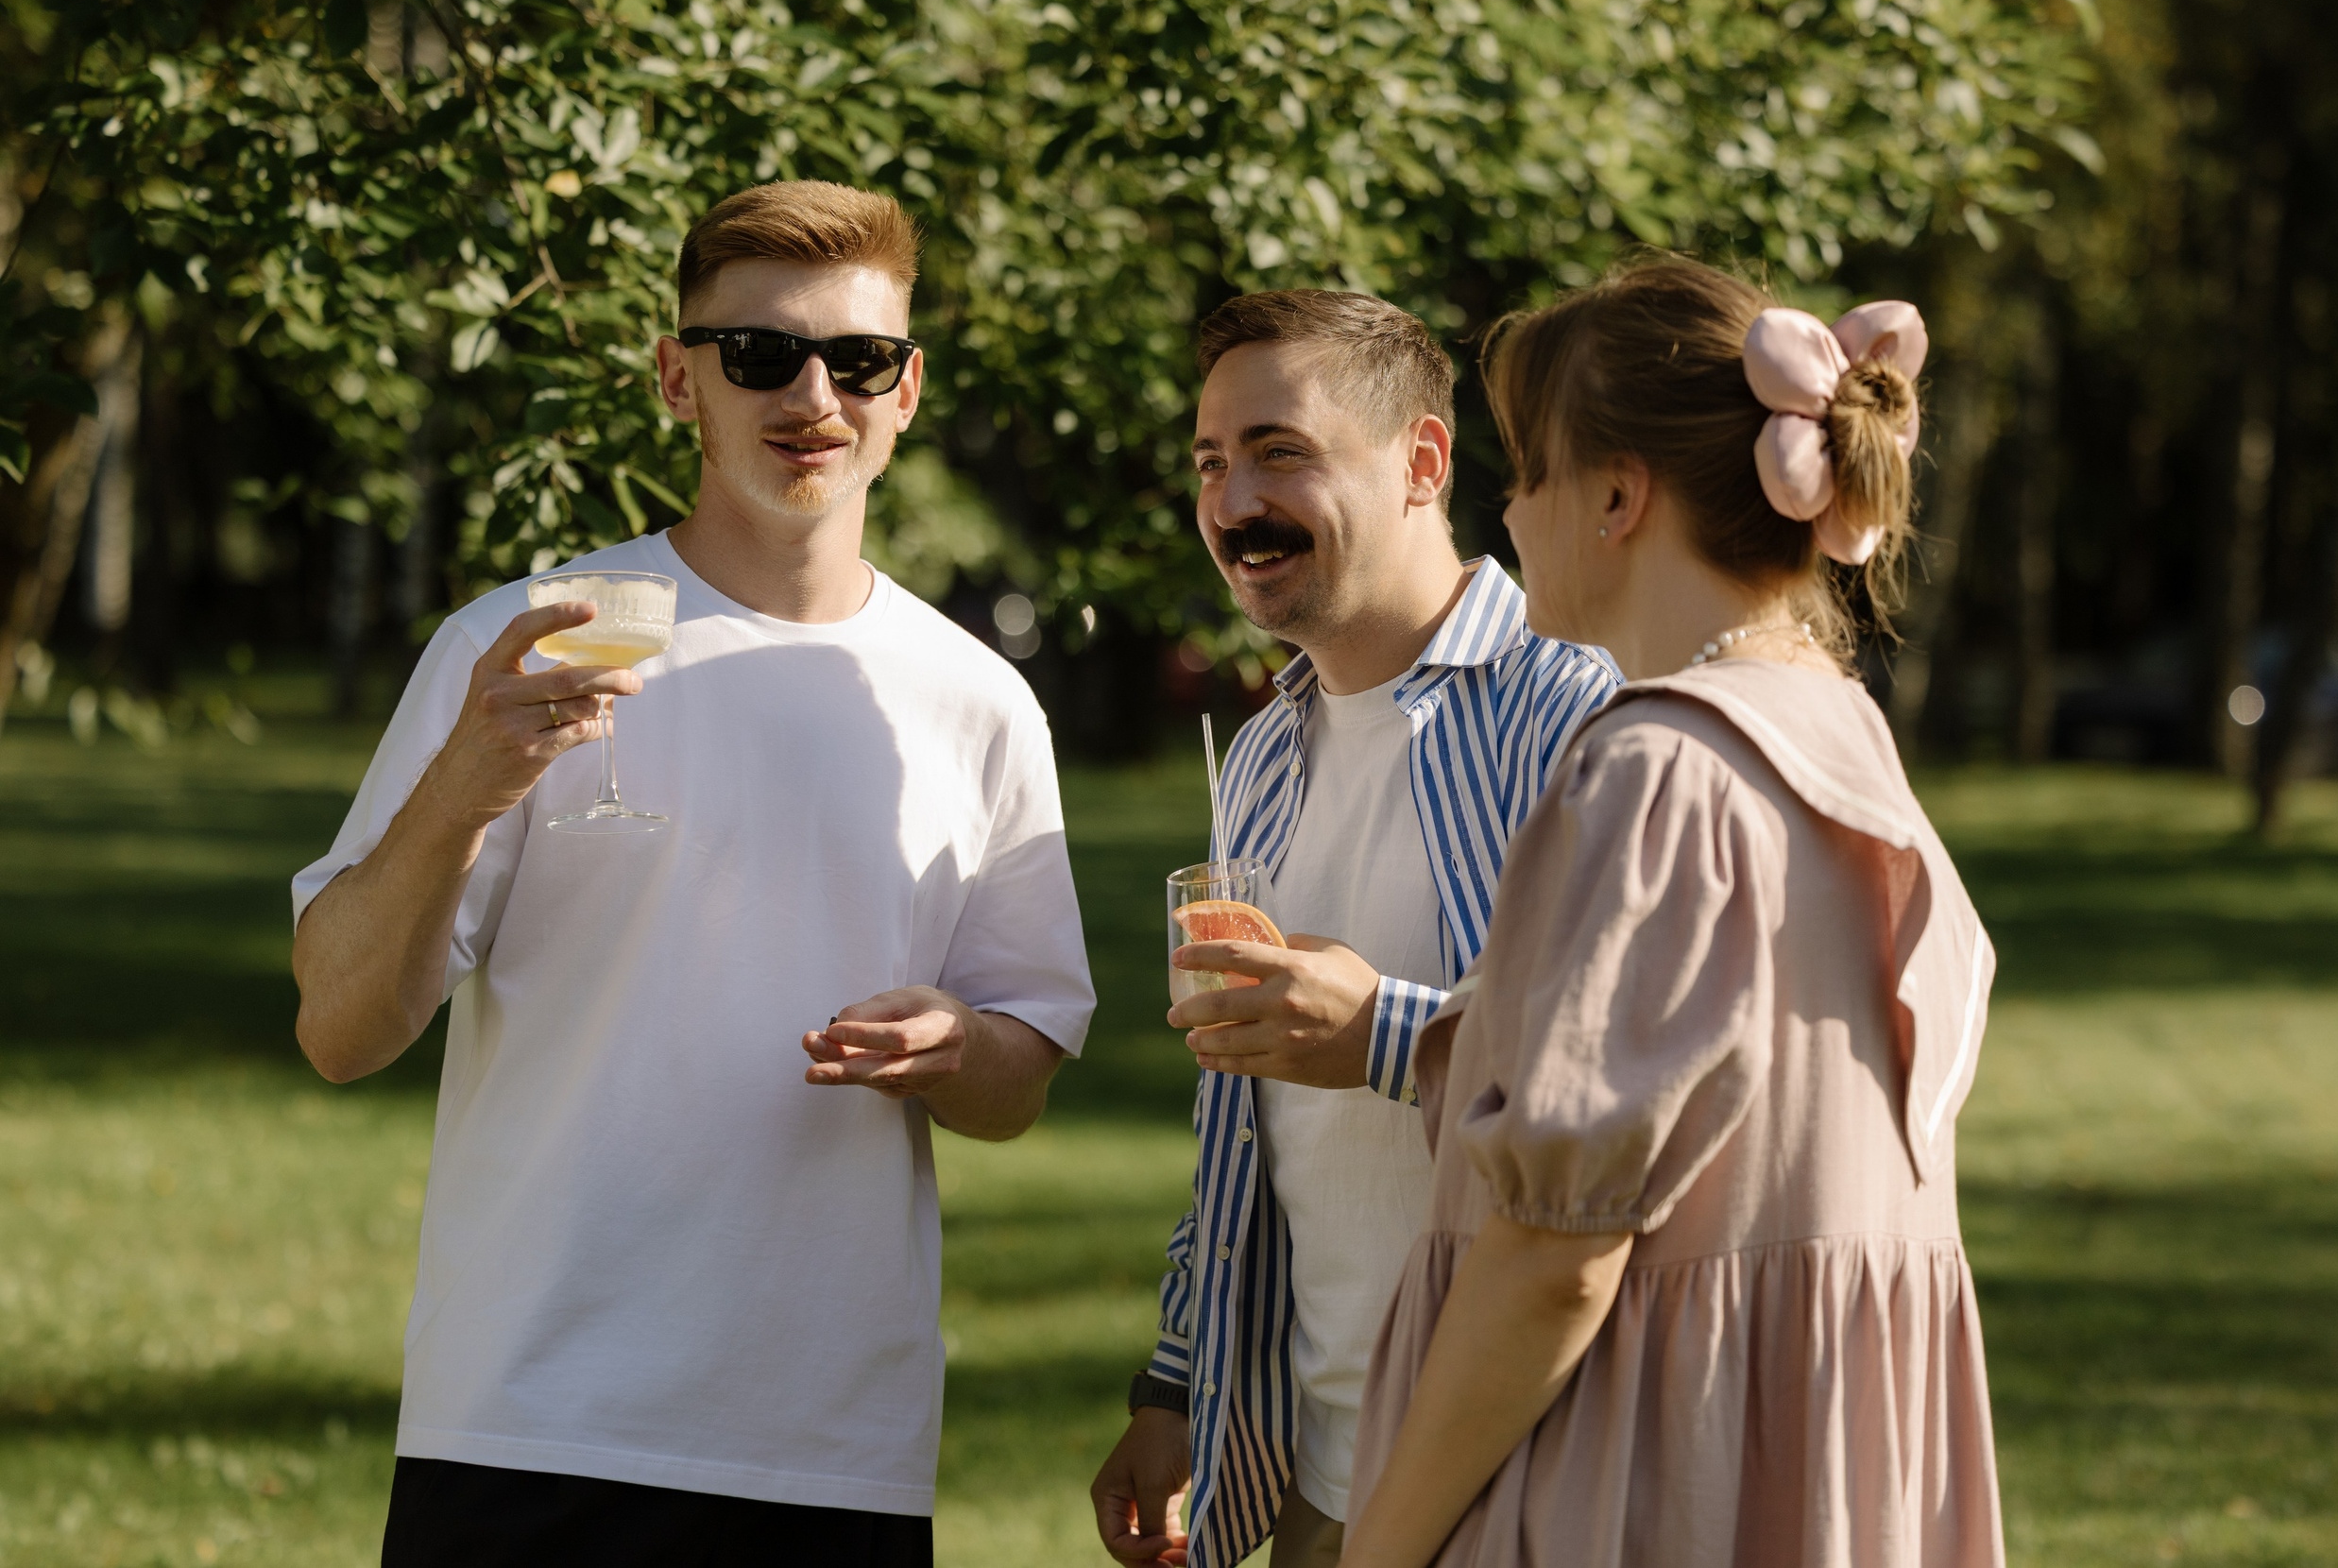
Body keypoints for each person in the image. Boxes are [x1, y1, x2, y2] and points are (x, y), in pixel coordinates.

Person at [289, 180, 1095, 1567]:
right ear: (680, 378)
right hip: (528, 1425)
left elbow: (1017, 1081)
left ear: (907, 393)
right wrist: (464, 790)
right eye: (759, 354)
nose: (814, 397)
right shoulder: (525, 644)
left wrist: (957, 1047)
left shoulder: (978, 704)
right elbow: (341, 1028)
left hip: (835, 1451)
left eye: (860, 361)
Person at [1340, 255, 2004, 1567]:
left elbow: (1555, 1258)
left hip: (1632, 1486)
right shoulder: (1835, 735)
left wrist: (1380, 1547)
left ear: (1617, 497)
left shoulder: (1654, 772)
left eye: (1527, 469)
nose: (1510, 515)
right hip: (1798, 1486)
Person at [1089, 290, 1619, 1568]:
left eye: (1281, 451)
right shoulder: (1264, 758)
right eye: (1212, 462)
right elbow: (1251, 1128)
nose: (1231, 502)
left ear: (1421, 463)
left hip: (1531, 1462)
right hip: (1313, 1483)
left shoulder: (1583, 709)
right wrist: (1173, 1386)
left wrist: (1382, 1033)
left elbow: (1623, 1067)